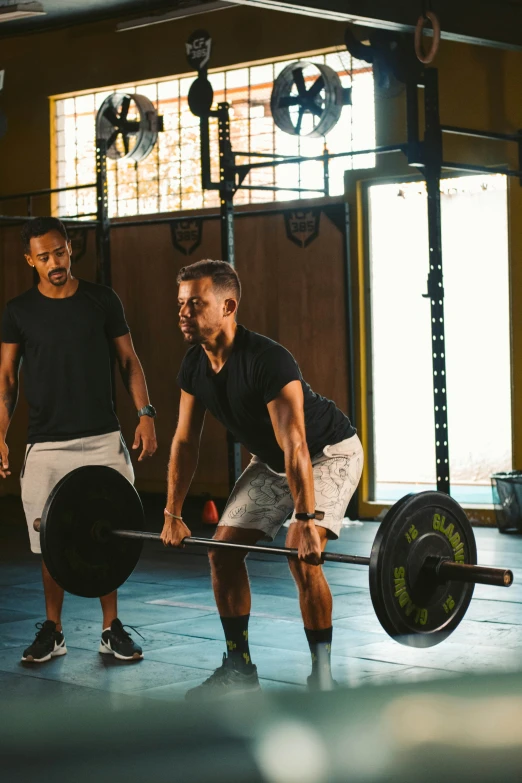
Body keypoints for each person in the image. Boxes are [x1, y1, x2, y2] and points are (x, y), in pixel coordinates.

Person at [161, 259, 363, 698]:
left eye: (195, 303)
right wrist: (172, 511)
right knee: (222, 553)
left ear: (228, 306)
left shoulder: (268, 360)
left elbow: (295, 444)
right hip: (272, 462)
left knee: (300, 555)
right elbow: (184, 442)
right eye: (180, 303)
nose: (183, 312)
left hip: (327, 453)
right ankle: (240, 668)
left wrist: (306, 519)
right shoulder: (194, 366)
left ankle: (323, 677)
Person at [0, 217, 158, 663]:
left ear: (70, 248)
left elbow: (128, 360)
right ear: (30, 259)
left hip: (103, 438)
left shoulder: (101, 300)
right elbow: (7, 380)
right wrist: (1, 436)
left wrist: (145, 414)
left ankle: (111, 628)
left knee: (106, 534)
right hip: (47, 444)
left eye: (60, 252)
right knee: (51, 541)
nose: (55, 263)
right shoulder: (18, 311)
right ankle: (53, 629)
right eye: (44, 257)